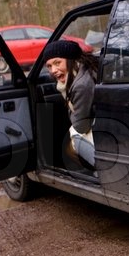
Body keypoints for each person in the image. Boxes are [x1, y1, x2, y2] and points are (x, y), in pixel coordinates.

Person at [42, 40, 97, 169]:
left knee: (68, 148)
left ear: (71, 59)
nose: (53, 70)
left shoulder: (81, 85)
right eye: (49, 66)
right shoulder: (86, 68)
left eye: (57, 63)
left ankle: (97, 173)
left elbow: (81, 126)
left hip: (101, 131)